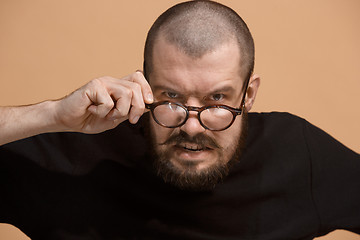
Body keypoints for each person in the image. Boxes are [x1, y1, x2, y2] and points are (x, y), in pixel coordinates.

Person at [0, 0, 359, 239]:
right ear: (145, 86)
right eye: (171, 97)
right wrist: (51, 114)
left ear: (248, 95)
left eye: (216, 99)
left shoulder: (296, 154)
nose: (191, 126)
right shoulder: (75, 153)